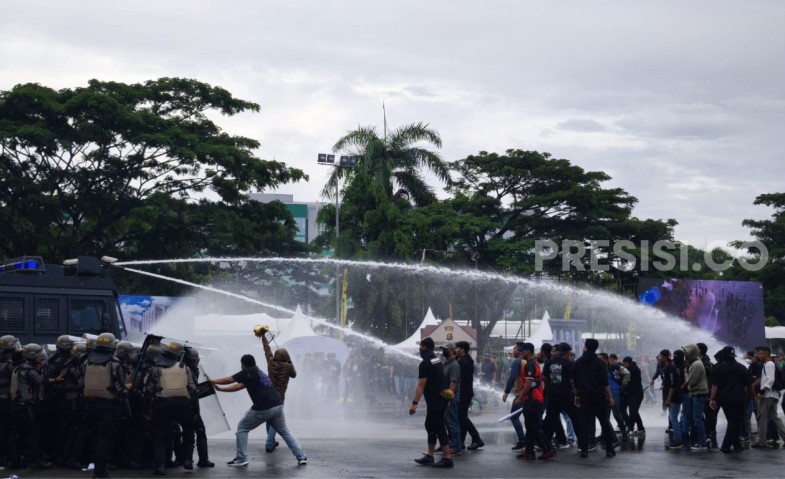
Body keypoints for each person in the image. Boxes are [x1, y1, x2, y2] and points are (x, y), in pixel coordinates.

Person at [208, 353, 307, 468]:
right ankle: (301, 456)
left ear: (243, 365)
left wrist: (212, 380)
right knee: (285, 431)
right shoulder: (258, 372)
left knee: (242, 428)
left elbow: (230, 380)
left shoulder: (248, 371)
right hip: (277, 405)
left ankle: (241, 458)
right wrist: (220, 389)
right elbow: (238, 386)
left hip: (264, 407)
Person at [143, 340, 196, 476]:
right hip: (183, 404)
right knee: (188, 432)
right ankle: (188, 460)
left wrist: (151, 404)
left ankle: (160, 466)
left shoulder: (155, 368)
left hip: (162, 404)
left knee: (160, 436)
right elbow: (192, 388)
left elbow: (147, 389)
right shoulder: (185, 367)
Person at [409, 337, 453, 468]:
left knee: (438, 427)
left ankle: (447, 458)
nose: (420, 349)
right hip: (440, 399)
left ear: (426, 347)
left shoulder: (426, 363)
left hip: (436, 400)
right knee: (430, 425)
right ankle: (430, 455)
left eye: (421, 346)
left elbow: (421, 384)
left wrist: (414, 403)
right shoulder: (436, 360)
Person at [573, 338, 617, 458]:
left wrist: (576, 395)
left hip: (584, 396)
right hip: (599, 396)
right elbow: (604, 383)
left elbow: (575, 381)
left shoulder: (579, 362)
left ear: (586, 347)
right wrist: (610, 397)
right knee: (604, 422)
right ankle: (609, 449)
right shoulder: (600, 363)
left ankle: (584, 449)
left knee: (584, 423)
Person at [259, 326, 297, 454]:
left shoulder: (271, 362)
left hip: (268, 395)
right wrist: (289, 361)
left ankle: (271, 440)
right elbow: (294, 375)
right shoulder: (288, 366)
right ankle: (269, 442)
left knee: (269, 419)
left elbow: (267, 350)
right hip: (279, 396)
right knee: (275, 419)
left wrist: (263, 337)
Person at [513, 342, 554, 461]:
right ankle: (529, 452)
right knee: (530, 427)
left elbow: (528, 383)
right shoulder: (533, 364)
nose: (521, 352)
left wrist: (520, 397)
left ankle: (549, 449)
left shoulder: (530, 365)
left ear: (528, 351)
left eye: (523, 350)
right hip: (533, 399)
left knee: (534, 426)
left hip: (533, 399)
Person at [710, 346, 753, 453]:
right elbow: (750, 385)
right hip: (738, 399)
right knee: (735, 422)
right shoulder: (742, 367)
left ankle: (737, 445)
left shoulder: (718, 368)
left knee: (732, 421)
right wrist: (754, 395)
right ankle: (726, 445)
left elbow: (714, 386)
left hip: (723, 399)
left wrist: (712, 399)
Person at [542, 342, 581, 451]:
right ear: (568, 352)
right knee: (575, 418)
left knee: (550, 418)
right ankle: (582, 445)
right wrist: (577, 395)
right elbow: (572, 381)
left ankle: (542, 442)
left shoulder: (549, 363)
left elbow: (544, 377)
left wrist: (550, 387)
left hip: (553, 395)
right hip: (566, 395)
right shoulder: (568, 364)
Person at [753, 346, 785, 448]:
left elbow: (770, 380)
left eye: (761, 354)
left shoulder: (769, 364)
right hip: (772, 394)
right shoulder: (769, 364)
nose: (759, 355)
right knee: (774, 417)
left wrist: (761, 392)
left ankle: (762, 441)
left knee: (762, 417)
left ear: (767, 354)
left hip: (768, 395)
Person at [455, 341, 484, 450]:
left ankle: (476, 439)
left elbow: (461, 380)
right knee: (462, 417)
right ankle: (461, 441)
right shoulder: (465, 360)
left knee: (462, 417)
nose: (456, 350)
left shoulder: (464, 362)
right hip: (465, 393)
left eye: (457, 348)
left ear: (462, 349)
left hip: (463, 393)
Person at [683, 344, 708, 450]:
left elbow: (691, 381)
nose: (685, 354)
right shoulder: (695, 363)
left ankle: (702, 443)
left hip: (699, 394)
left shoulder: (696, 365)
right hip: (697, 394)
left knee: (697, 419)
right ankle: (702, 439)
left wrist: (685, 374)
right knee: (698, 418)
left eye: (686, 352)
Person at [502, 342, 526, 451]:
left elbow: (512, 377)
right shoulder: (526, 361)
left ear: (520, 350)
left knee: (514, 417)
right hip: (526, 394)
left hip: (521, 394)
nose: (513, 351)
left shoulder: (517, 361)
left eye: (515, 348)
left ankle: (523, 441)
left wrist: (506, 392)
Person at [440, 342, 462, 455]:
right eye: (443, 349)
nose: (444, 351)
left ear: (452, 351)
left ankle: (457, 446)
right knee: (446, 422)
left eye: (446, 349)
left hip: (450, 398)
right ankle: (449, 443)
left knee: (453, 422)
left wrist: (448, 399)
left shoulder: (454, 365)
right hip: (444, 397)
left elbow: (453, 383)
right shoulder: (445, 364)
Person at [662, 349, 685, 449]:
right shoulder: (668, 367)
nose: (658, 358)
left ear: (665, 357)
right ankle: (678, 438)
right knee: (673, 418)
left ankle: (678, 440)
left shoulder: (670, 368)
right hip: (674, 396)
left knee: (673, 418)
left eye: (660, 356)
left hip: (675, 397)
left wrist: (668, 399)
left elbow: (673, 385)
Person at [622, 356, 645, 436]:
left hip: (637, 394)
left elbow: (630, 373)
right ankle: (641, 428)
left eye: (625, 363)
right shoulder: (628, 369)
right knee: (634, 411)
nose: (624, 365)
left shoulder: (635, 369)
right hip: (631, 394)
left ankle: (631, 428)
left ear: (629, 363)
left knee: (632, 411)